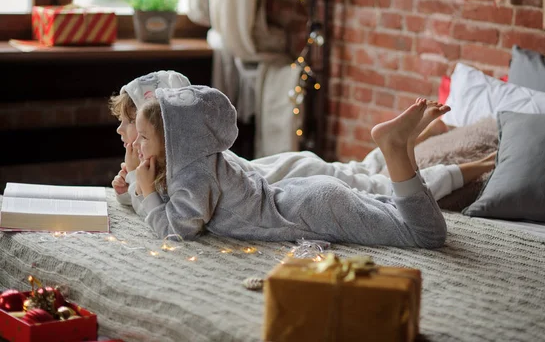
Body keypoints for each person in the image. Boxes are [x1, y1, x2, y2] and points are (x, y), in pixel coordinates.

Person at [108, 71, 496, 213]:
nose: (123, 134)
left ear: (166, 134)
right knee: (360, 171)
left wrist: (134, 186)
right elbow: (145, 199)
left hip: (295, 177)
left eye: (130, 126)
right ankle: (406, 140)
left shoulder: (184, 169)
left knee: (376, 187)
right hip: (283, 169)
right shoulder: (167, 163)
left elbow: (168, 214)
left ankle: (480, 164)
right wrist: (128, 187)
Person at [133, 85, 448, 248]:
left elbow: (178, 230)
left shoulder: (193, 175)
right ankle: (403, 147)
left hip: (310, 210)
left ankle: (395, 148)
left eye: (144, 137)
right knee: (399, 213)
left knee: (424, 235)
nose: (137, 145)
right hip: (305, 196)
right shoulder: (209, 155)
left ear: (177, 141)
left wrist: (147, 192)